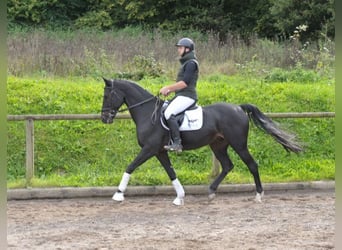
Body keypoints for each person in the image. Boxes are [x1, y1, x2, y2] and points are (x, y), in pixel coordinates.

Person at [159, 37, 199, 153]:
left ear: (187, 49)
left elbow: (185, 83)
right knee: (164, 108)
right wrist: (171, 91)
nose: (178, 50)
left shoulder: (191, 63)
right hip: (181, 95)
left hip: (188, 96)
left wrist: (168, 88)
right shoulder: (186, 63)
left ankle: (177, 143)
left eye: (180, 48)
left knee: (169, 113)